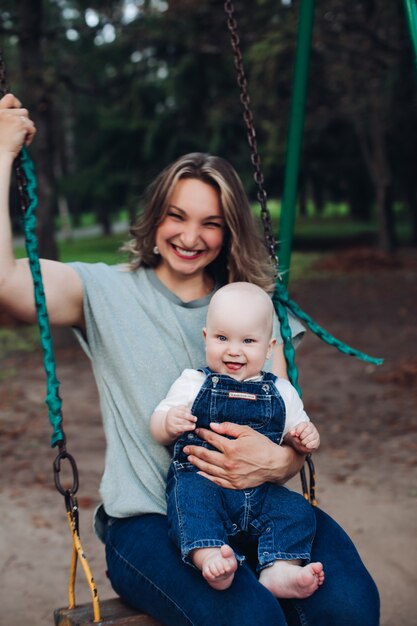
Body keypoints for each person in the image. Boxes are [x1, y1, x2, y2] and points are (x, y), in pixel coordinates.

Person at [0, 92, 379, 626]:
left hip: (259, 507)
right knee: (250, 619)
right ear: (156, 215)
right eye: (177, 216)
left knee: (351, 609)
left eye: (211, 222)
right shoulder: (103, 290)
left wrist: (284, 461)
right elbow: (6, 283)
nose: (190, 236)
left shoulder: (254, 308)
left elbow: (284, 419)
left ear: (229, 231)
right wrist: (2, 154)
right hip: (151, 522)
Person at [151, 281, 324, 597]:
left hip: (260, 491)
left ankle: (280, 569)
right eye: (221, 338)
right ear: (206, 339)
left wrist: (303, 437)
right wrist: (169, 421)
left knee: (296, 510)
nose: (233, 350)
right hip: (204, 480)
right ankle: (210, 556)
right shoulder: (193, 382)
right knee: (189, 501)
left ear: (269, 348)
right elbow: (157, 425)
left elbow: (296, 431)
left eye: (247, 340)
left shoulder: (281, 392)